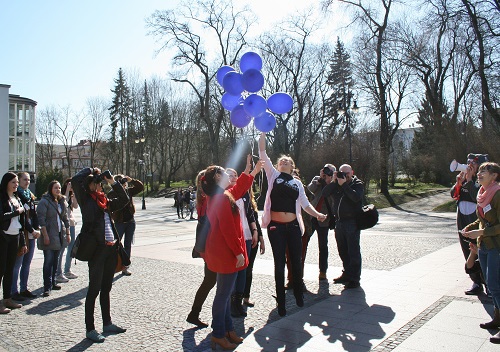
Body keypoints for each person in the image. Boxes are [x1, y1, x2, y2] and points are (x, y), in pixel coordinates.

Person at [258, 132, 327, 317]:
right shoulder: (273, 175)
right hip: (276, 228)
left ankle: (298, 292)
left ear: (292, 166)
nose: (284, 162)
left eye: (287, 161)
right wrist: (263, 133)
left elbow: (305, 204)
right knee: (279, 263)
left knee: (296, 262)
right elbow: (262, 152)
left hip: (294, 227)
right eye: (282, 161)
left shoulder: (297, 183)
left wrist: (318, 214)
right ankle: (281, 302)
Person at [201, 162, 262, 350]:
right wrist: (238, 252)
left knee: (225, 295)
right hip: (225, 253)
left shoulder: (222, 195)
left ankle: (227, 330)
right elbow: (228, 229)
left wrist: (250, 173)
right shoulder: (220, 197)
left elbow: (238, 189)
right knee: (223, 296)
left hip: (222, 252)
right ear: (218, 178)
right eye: (224, 173)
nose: (229, 174)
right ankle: (218, 334)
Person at [71, 167, 129, 343]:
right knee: (94, 290)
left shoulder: (105, 200)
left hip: (111, 249)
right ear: (89, 186)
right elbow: (75, 180)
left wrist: (111, 181)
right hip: (96, 251)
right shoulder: (86, 200)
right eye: (95, 183)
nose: (98, 185)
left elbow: (125, 199)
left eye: (99, 183)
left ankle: (107, 323)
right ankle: (90, 329)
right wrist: (91, 170)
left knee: (106, 288)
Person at [463, 162, 500, 344]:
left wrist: (481, 232)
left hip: (496, 246)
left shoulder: (498, 194)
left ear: (494, 176)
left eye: (484, 171)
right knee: (491, 286)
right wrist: (470, 228)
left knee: (495, 286)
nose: (479, 174)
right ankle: (497, 318)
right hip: (484, 246)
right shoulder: (481, 194)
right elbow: (482, 220)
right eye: (479, 171)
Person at [451, 153, 488, 295]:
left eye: (474, 164)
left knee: (479, 249)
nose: (470, 166)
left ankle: (488, 283)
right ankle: (476, 281)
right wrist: (458, 183)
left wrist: (470, 180)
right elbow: (453, 194)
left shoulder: (482, 181)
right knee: (467, 249)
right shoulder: (465, 178)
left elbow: (477, 197)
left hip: (475, 217)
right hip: (462, 216)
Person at [322, 164, 364, 289]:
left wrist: (344, 184)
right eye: (342, 173)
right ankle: (347, 273)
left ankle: (355, 279)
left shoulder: (357, 184)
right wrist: (335, 182)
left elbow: (355, 197)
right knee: (342, 250)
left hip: (352, 222)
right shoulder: (337, 184)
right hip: (339, 222)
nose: (344, 175)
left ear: (352, 172)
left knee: (353, 251)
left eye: (347, 173)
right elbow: (325, 193)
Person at [226, 166, 258, 318]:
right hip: (234, 237)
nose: (232, 177)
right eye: (229, 175)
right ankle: (231, 303)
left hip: (246, 235)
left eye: (234, 175)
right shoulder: (226, 195)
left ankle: (238, 302)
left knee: (244, 270)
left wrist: (256, 232)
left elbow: (250, 214)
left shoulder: (244, 193)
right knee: (234, 270)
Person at [186, 170, 215, 328]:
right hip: (209, 245)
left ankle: (194, 313)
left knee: (210, 280)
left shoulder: (202, 197)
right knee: (210, 280)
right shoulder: (206, 198)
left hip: (206, 245)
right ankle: (194, 313)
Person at [36, 180, 70, 297]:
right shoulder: (44, 202)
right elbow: (41, 220)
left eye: (59, 188)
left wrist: (68, 233)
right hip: (49, 235)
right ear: (50, 188)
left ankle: (53, 282)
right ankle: (47, 286)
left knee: (56, 260)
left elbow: (65, 218)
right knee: (48, 261)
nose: (58, 190)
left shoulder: (61, 201)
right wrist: (45, 236)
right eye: (55, 188)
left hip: (60, 235)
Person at [11, 172, 40, 301]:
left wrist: (37, 228)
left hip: (31, 233)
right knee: (18, 263)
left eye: (28, 180)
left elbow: (34, 214)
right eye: (24, 180)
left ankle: (24, 288)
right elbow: (22, 218)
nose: (27, 182)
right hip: (22, 233)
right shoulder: (17, 196)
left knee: (27, 262)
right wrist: (31, 230)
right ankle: (13, 291)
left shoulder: (30, 196)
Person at [0, 172, 27, 314]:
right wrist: (16, 212)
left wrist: (23, 242)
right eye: (13, 182)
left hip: (15, 236)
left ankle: (7, 298)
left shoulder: (16, 197)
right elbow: (2, 217)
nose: (16, 184)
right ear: (6, 183)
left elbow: (21, 223)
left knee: (10, 269)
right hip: (3, 237)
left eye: (17, 182)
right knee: (1, 270)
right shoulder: (2, 198)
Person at [110, 174, 144, 276]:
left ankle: (125, 267)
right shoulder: (112, 194)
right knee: (115, 245)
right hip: (119, 223)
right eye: (121, 182)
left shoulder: (129, 191)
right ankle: (112, 266)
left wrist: (132, 180)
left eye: (124, 182)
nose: (124, 184)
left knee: (128, 245)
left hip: (130, 222)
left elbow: (140, 187)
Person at [307, 164, 336, 281]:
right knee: (303, 241)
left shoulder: (335, 184)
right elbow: (309, 190)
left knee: (323, 246)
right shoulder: (316, 180)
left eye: (330, 171)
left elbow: (334, 200)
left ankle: (323, 271)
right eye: (325, 170)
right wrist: (319, 181)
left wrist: (330, 182)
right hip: (312, 217)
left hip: (324, 218)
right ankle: (299, 269)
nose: (327, 173)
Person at [243, 187, 266, 308]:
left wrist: (261, 239)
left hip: (254, 238)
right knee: (242, 270)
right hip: (243, 238)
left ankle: (246, 297)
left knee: (249, 269)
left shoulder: (251, 201)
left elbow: (255, 221)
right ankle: (236, 298)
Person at [55, 178, 79, 283]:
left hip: (72, 223)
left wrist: (75, 194)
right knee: (62, 247)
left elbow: (76, 206)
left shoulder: (72, 194)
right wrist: (67, 190)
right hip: (64, 224)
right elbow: (63, 203)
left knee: (71, 247)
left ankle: (67, 269)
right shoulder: (61, 196)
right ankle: (58, 272)